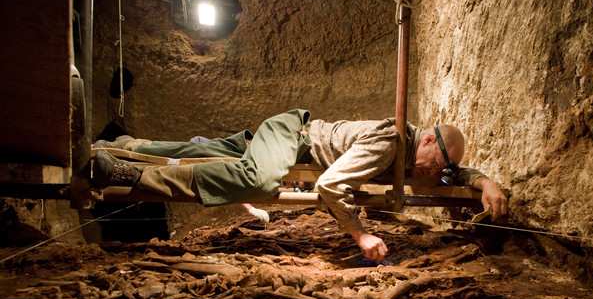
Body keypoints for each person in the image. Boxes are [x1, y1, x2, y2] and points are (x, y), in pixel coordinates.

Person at [92, 109, 507, 262]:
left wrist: (481, 180)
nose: (437, 174)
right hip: (293, 137)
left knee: (208, 152)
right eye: (438, 164)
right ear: (429, 140)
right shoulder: (390, 142)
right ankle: (131, 176)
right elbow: (329, 186)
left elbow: (453, 172)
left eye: (443, 169)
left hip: (284, 133)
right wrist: (359, 233)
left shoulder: (420, 157)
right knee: (256, 180)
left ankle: (126, 147)